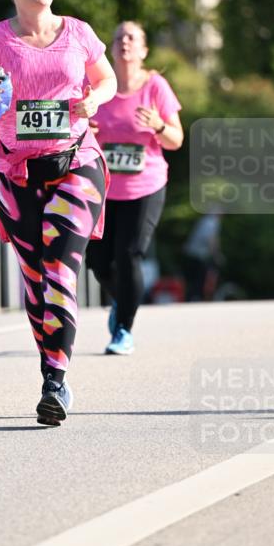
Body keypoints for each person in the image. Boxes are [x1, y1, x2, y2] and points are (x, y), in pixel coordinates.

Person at [0, 0, 117, 426]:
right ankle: (50, 368)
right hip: (16, 172)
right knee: (35, 278)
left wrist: (95, 101)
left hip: (76, 161)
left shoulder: (79, 32)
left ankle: (56, 379)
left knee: (60, 266)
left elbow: (107, 80)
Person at [86, 21, 183, 354]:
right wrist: (86, 130)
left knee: (129, 254)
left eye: (132, 37)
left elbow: (176, 140)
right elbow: (76, 128)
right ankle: (123, 300)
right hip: (103, 187)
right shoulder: (99, 87)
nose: (124, 42)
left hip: (146, 187)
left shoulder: (155, 86)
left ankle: (123, 330)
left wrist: (158, 125)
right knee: (98, 261)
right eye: (119, 37)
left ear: (143, 50)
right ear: (111, 49)